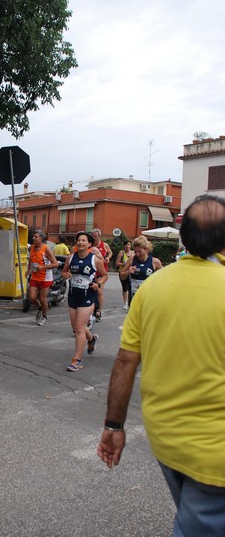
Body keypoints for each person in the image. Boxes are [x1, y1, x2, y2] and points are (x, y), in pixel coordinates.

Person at [97, 194, 225, 537]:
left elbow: (125, 360)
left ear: (182, 238)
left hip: (167, 439)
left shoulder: (153, 288)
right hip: (216, 454)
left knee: (189, 509)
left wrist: (113, 426)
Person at [62, 232, 108, 371]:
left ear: (89, 244)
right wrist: (67, 275)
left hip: (87, 296)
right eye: (79, 240)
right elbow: (64, 272)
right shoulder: (71, 258)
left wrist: (98, 284)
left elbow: (104, 275)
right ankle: (91, 339)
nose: (80, 242)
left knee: (79, 328)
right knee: (76, 327)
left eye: (84, 240)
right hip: (73, 295)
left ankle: (77, 360)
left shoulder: (95, 260)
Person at [26, 230, 59, 326]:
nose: (33, 238)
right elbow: (31, 260)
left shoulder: (46, 249)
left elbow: (55, 264)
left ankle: (44, 316)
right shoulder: (31, 248)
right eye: (33, 236)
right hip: (35, 276)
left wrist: (42, 267)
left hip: (45, 277)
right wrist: (29, 270)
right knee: (31, 297)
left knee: (42, 298)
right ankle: (40, 308)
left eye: (36, 237)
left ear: (41, 238)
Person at [119, 235, 162, 306]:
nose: (137, 254)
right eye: (135, 251)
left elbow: (164, 278)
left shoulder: (155, 261)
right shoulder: (132, 259)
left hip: (149, 297)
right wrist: (128, 272)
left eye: (139, 251)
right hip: (134, 297)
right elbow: (122, 276)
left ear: (146, 249)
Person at [91, 229, 112, 321]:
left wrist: (108, 257)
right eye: (92, 236)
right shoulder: (90, 245)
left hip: (101, 272)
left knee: (99, 291)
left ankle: (99, 311)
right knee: (92, 292)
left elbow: (110, 252)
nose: (94, 238)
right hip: (91, 273)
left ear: (99, 236)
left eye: (95, 236)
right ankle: (91, 311)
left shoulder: (104, 245)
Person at [115, 240, 134, 310]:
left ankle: (130, 303)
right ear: (124, 246)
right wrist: (125, 264)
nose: (127, 246)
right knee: (125, 288)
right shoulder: (121, 253)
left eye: (129, 244)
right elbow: (117, 263)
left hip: (131, 273)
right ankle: (125, 303)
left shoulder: (133, 253)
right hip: (123, 272)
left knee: (131, 288)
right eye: (126, 245)